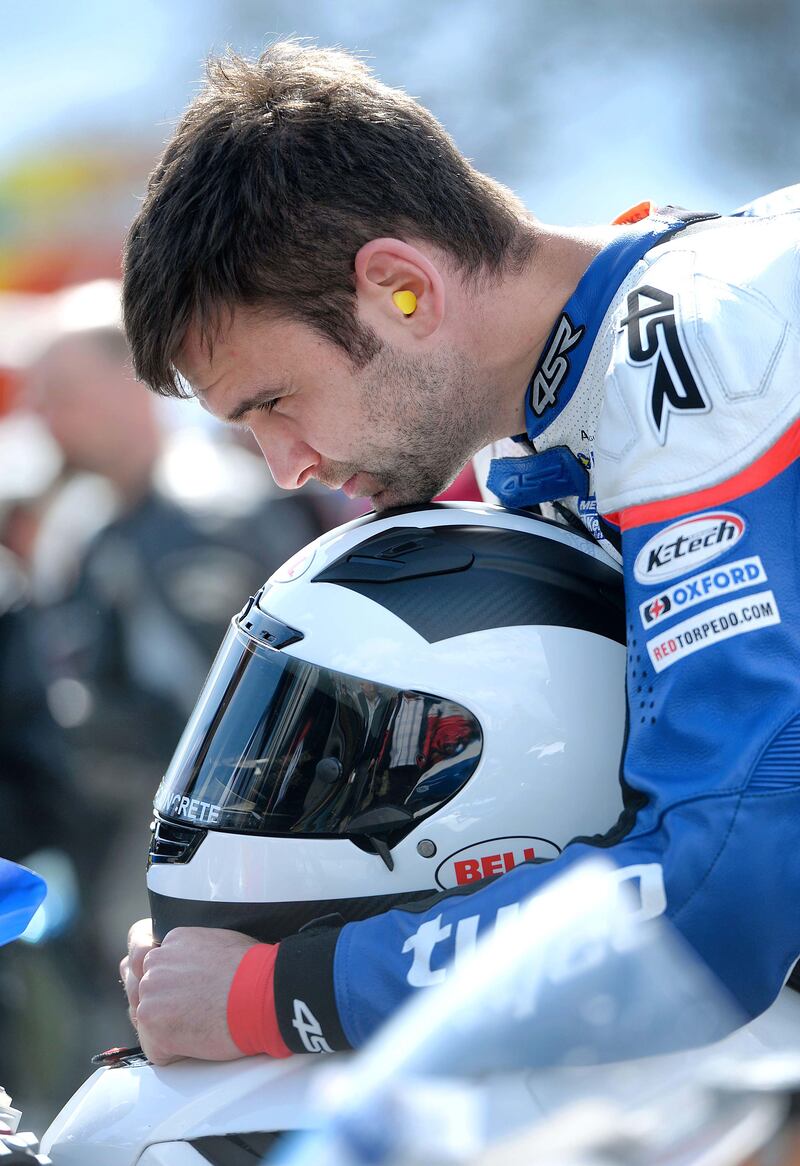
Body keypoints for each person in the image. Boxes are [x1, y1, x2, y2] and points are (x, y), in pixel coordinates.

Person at [119, 41, 800, 1064]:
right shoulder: (562, 407)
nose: (284, 468)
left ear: (402, 289)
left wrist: (273, 991)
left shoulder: (698, 343)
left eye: (273, 402)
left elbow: (725, 889)